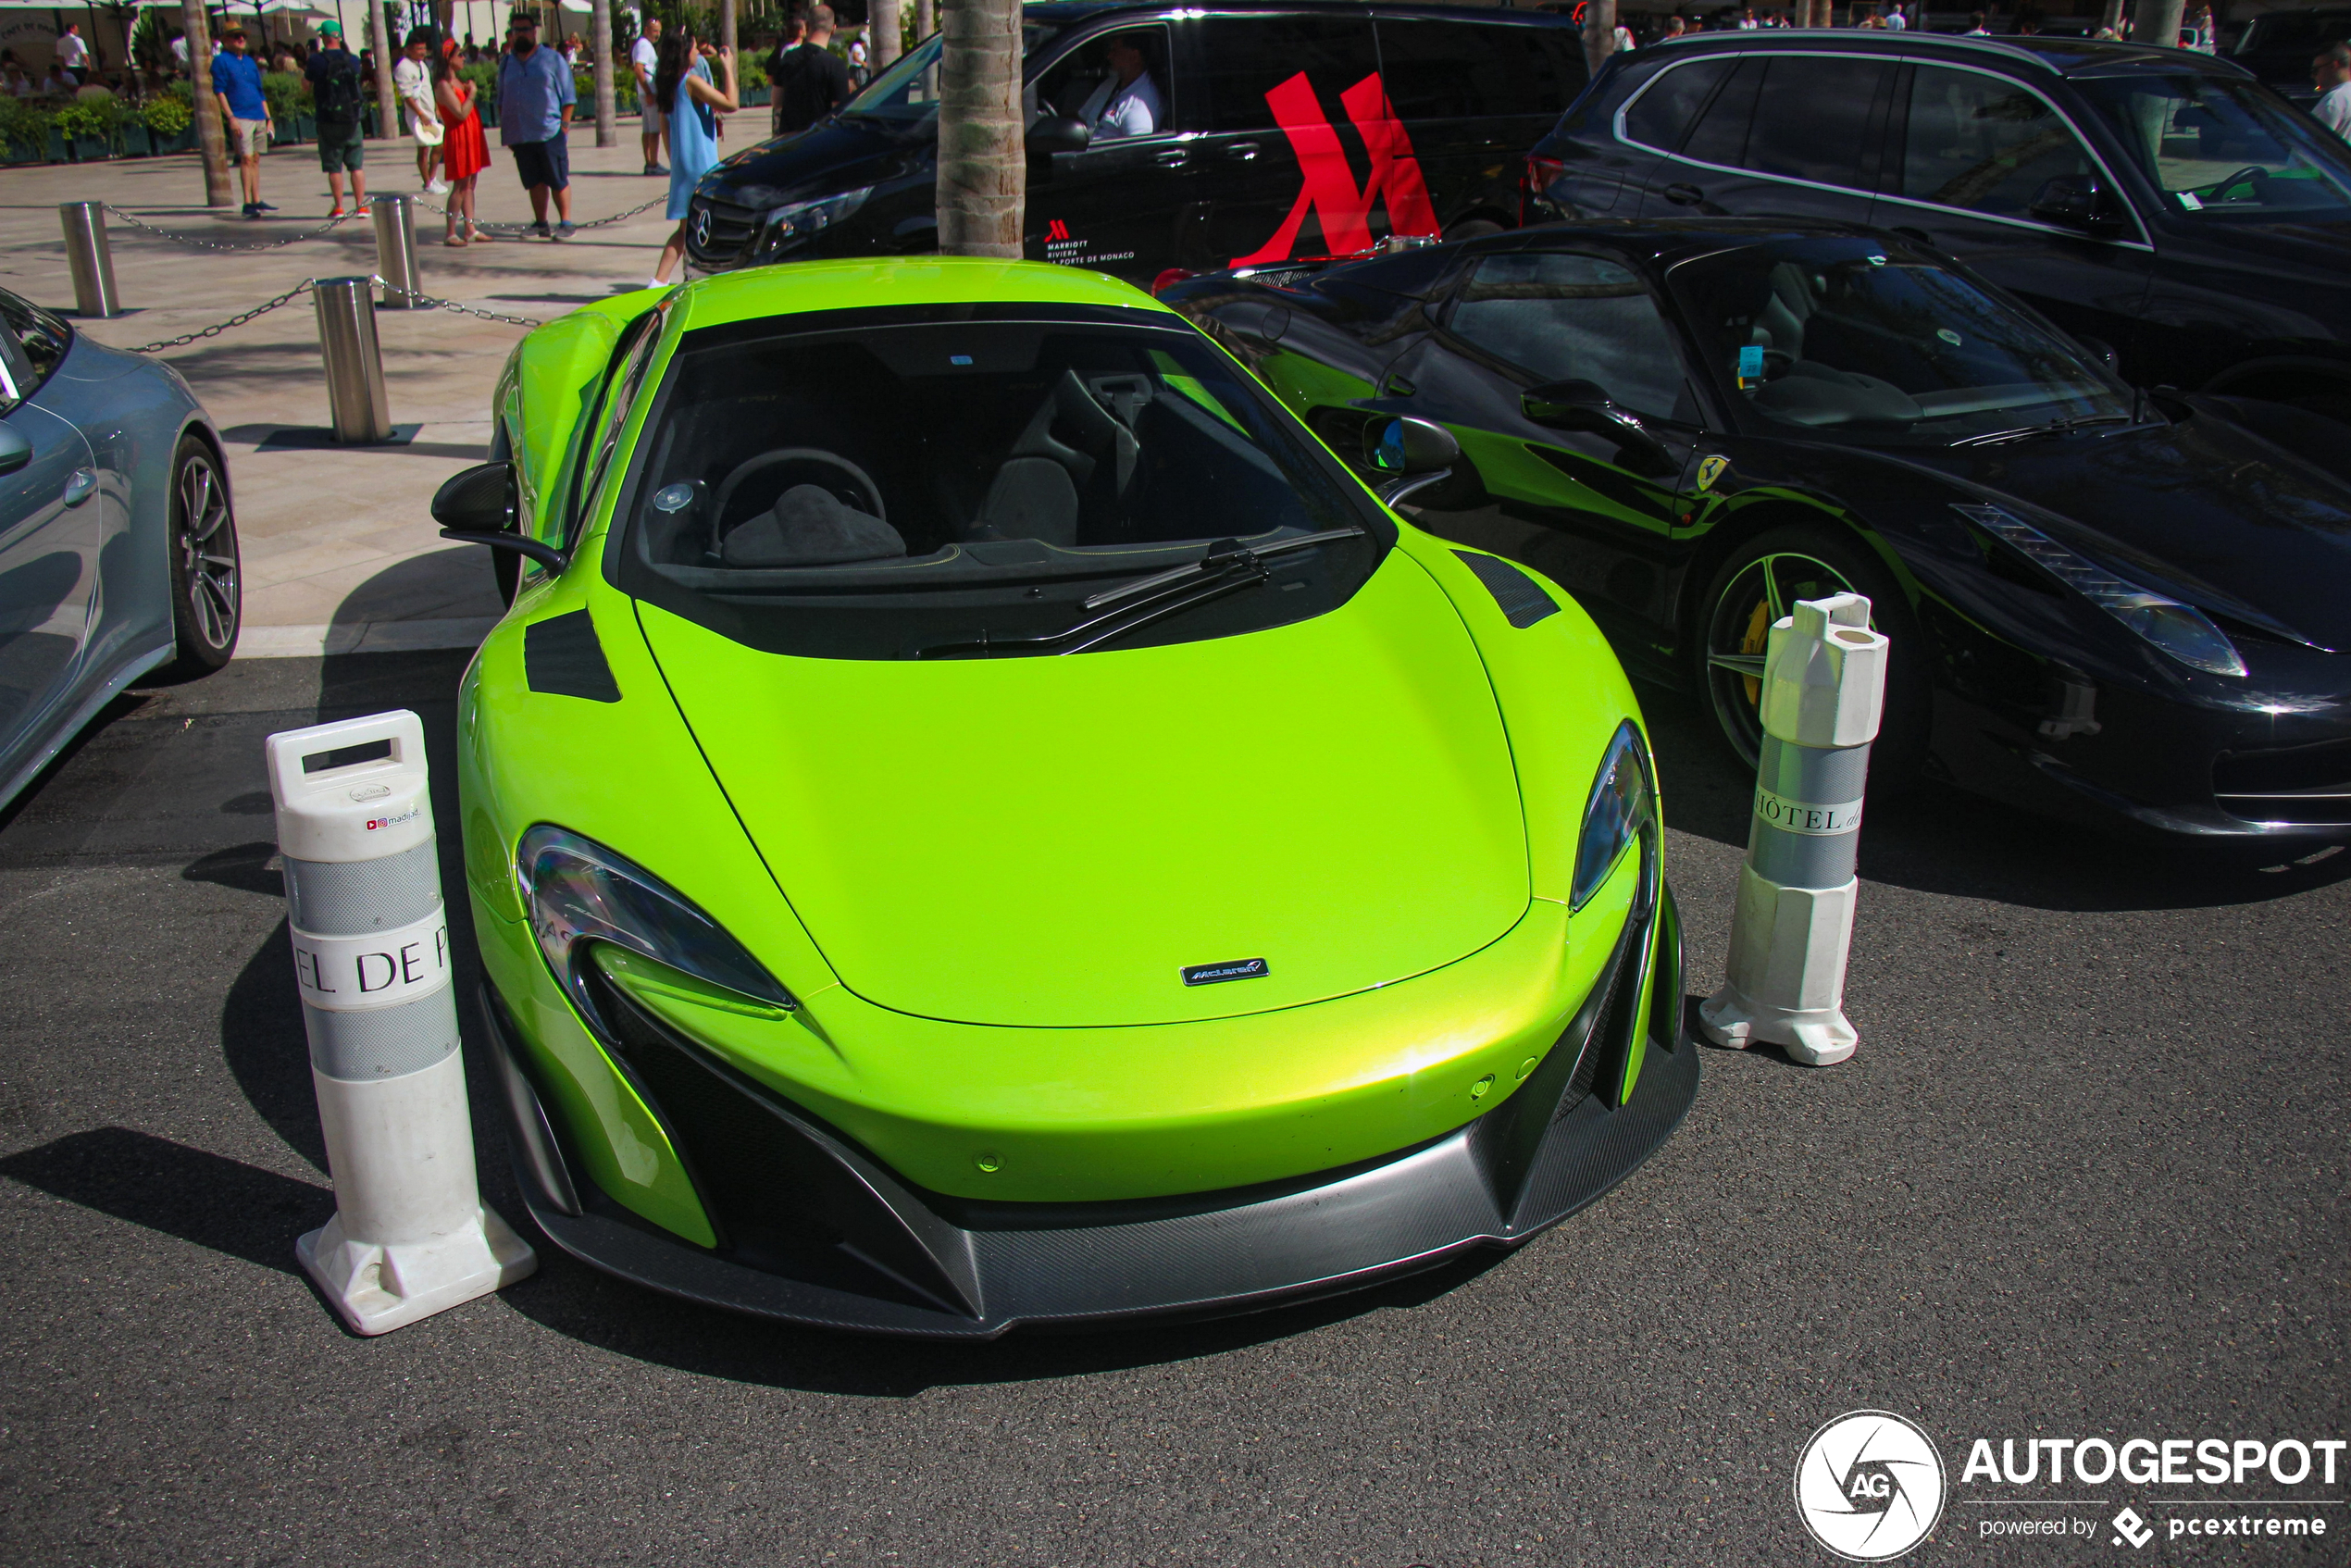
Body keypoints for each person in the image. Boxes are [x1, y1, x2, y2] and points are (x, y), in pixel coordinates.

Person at [650, 26, 738, 287]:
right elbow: (731, 103)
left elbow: (665, 128)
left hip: (683, 165)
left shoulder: (667, 85)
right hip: (703, 165)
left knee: (685, 229)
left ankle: (658, 281)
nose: (698, 52)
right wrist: (727, 66)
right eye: (694, 48)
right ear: (684, 52)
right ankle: (717, 276)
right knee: (715, 223)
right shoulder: (690, 81)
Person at [498, 13, 576, 239]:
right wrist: (508, 132)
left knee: (558, 179)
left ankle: (566, 222)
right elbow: (502, 100)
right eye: (516, 30)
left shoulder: (552, 59)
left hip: (550, 131)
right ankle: (541, 222)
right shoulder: (506, 64)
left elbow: (569, 97)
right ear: (511, 35)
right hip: (522, 135)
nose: (520, 34)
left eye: (524, 29)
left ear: (534, 32)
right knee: (534, 181)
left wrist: (564, 128)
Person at [305, 20, 370, 218]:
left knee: (334, 166)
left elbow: (305, 86)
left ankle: (339, 207)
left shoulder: (316, 61)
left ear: (324, 38)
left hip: (328, 118)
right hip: (352, 119)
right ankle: (361, 206)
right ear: (339, 37)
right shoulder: (353, 59)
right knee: (356, 165)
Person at [432, 49, 492, 244]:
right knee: (460, 184)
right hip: (459, 136)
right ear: (448, 59)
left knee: (470, 183)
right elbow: (460, 113)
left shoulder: (458, 81)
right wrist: (472, 94)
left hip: (471, 134)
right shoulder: (443, 85)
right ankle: (450, 232)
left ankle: (470, 228)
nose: (463, 58)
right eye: (459, 55)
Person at [210, 29, 271, 218]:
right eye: (236, 36)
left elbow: (260, 91)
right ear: (226, 40)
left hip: (257, 113)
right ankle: (247, 201)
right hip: (240, 115)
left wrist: (269, 118)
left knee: (256, 158)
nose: (241, 39)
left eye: (243, 36)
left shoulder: (249, 61)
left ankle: (257, 197)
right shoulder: (221, 61)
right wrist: (231, 117)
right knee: (245, 157)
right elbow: (219, 90)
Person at [769, 7, 849, 135]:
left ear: (807, 26)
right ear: (833, 28)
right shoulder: (836, 65)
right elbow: (839, 111)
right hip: (820, 139)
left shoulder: (788, 58)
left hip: (790, 139)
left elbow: (776, 101)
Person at [1077, 33, 1159, 140]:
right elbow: (1080, 119)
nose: (1109, 56)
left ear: (1134, 57)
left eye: (1115, 50)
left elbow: (1135, 152)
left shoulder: (1140, 107)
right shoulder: (1111, 83)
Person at [395, 28, 445, 193]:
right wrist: (420, 114)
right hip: (417, 114)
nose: (422, 52)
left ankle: (432, 177)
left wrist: (436, 108)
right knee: (423, 148)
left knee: (439, 144)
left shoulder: (422, 65)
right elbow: (407, 96)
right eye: (418, 49)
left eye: (424, 49)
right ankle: (427, 183)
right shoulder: (403, 67)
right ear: (408, 49)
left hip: (429, 110)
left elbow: (428, 87)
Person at [634, 16, 665, 174]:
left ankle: (649, 162)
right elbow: (639, 69)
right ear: (646, 30)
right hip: (649, 92)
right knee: (654, 129)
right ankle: (653, 164)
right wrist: (648, 92)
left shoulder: (642, 45)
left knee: (647, 129)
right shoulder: (645, 46)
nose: (657, 35)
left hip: (645, 92)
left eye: (659, 31)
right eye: (654, 31)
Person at [2316, 44, 2351, 141]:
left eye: (2316, 70)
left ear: (2333, 66)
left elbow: (2315, 141)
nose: (2313, 76)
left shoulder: (2334, 100)